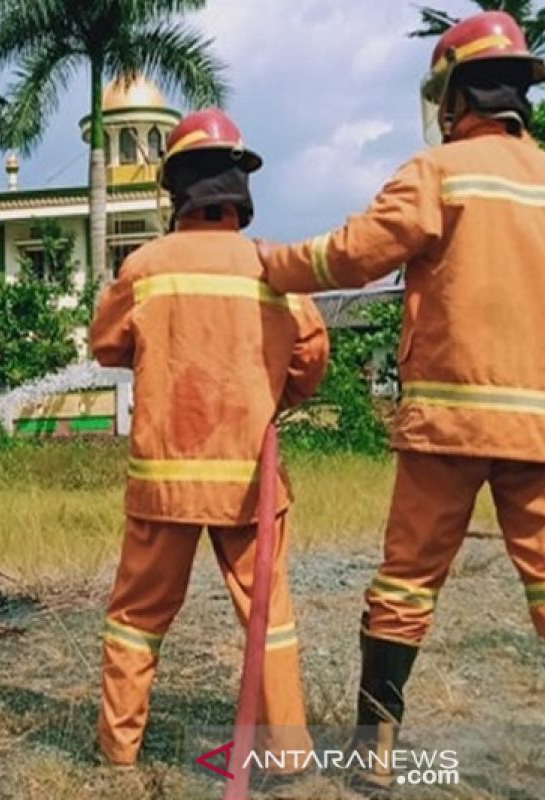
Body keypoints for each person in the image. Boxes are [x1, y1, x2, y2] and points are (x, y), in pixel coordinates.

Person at [255, 11, 545, 795]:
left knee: (407, 587)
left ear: (454, 97)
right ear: (519, 96)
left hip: (449, 425)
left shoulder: (439, 174)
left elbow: (351, 254)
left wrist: (271, 265)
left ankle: (376, 756)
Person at [90, 109, 330, 771]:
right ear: (237, 188)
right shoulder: (272, 266)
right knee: (268, 619)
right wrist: (277, 394)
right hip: (251, 483)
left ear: (178, 191)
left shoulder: (145, 266)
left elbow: (106, 346)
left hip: (163, 484)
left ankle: (118, 748)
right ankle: (288, 755)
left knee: (136, 617)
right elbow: (312, 355)